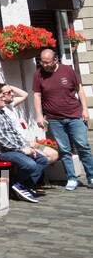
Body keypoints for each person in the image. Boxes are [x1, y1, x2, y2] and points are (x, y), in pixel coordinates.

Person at [33, 46, 93, 191]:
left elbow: (79, 90)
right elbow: (37, 95)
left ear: (55, 59)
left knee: (83, 146)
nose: (45, 65)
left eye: (47, 62)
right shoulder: (38, 74)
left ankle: (91, 175)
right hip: (54, 119)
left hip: (74, 115)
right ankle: (71, 178)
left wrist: (85, 109)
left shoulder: (68, 70)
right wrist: (39, 115)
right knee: (64, 150)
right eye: (42, 62)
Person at [0, 86, 48, 203]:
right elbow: (2, 139)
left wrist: (27, 146)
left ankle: (22, 186)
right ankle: (15, 185)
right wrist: (22, 150)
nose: (4, 99)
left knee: (42, 159)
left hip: (12, 150)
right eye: (1, 97)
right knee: (30, 164)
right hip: (0, 153)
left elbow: (15, 134)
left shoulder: (1, 113)